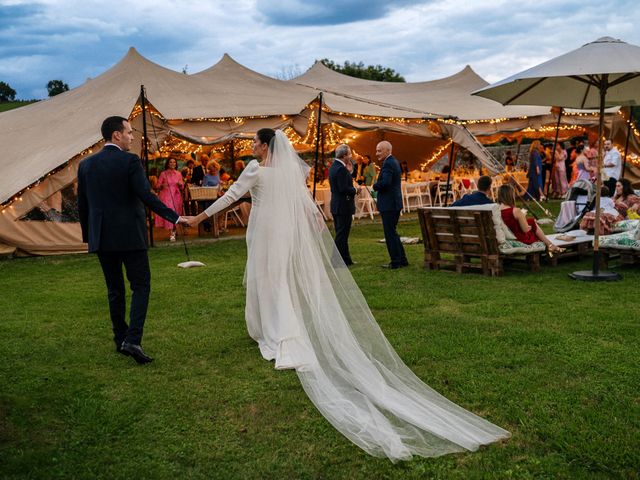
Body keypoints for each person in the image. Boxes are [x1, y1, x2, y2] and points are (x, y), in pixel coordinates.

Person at [187, 128, 509, 460]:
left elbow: (230, 197)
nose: (251, 147)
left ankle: (273, 331)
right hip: (280, 233)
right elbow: (308, 205)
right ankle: (275, 327)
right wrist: (316, 225)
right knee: (278, 280)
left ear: (265, 146)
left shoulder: (254, 170)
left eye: (254, 143)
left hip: (265, 231)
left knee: (266, 280)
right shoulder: (289, 171)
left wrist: (198, 216)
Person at [77, 116, 189, 364]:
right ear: (116, 135)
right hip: (130, 236)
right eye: (128, 132)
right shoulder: (129, 161)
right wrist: (175, 217)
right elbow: (146, 196)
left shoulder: (86, 165)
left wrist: (90, 237)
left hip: (102, 238)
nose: (132, 136)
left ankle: (121, 340)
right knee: (141, 285)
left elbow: (82, 206)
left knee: (114, 290)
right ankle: (133, 340)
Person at [497, 184, 563, 254]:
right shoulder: (516, 211)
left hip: (507, 235)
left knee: (530, 221)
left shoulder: (496, 210)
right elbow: (525, 230)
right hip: (519, 238)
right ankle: (550, 245)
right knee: (532, 222)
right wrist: (524, 218)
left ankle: (550, 245)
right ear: (510, 196)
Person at [372, 141, 408, 269]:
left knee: (389, 233)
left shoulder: (388, 163)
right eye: (377, 150)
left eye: (379, 150)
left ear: (387, 150)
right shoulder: (394, 162)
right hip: (394, 203)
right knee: (393, 232)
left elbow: (386, 182)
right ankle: (402, 259)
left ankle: (396, 261)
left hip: (389, 204)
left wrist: (375, 186)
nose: (377, 154)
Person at [329, 144, 357, 266]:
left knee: (342, 234)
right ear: (344, 155)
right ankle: (336, 260)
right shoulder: (340, 168)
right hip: (343, 205)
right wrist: (356, 190)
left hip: (337, 205)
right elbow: (343, 188)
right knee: (342, 234)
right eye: (349, 154)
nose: (351, 156)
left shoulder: (334, 166)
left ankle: (346, 260)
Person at [156, 157, 185, 242]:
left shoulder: (178, 174)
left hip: (176, 196)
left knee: (176, 213)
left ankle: (174, 230)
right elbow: (157, 185)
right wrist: (162, 185)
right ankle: (172, 233)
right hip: (166, 195)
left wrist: (180, 184)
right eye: (171, 162)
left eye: (174, 162)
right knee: (170, 212)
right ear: (168, 164)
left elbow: (182, 186)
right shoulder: (163, 174)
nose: (173, 164)